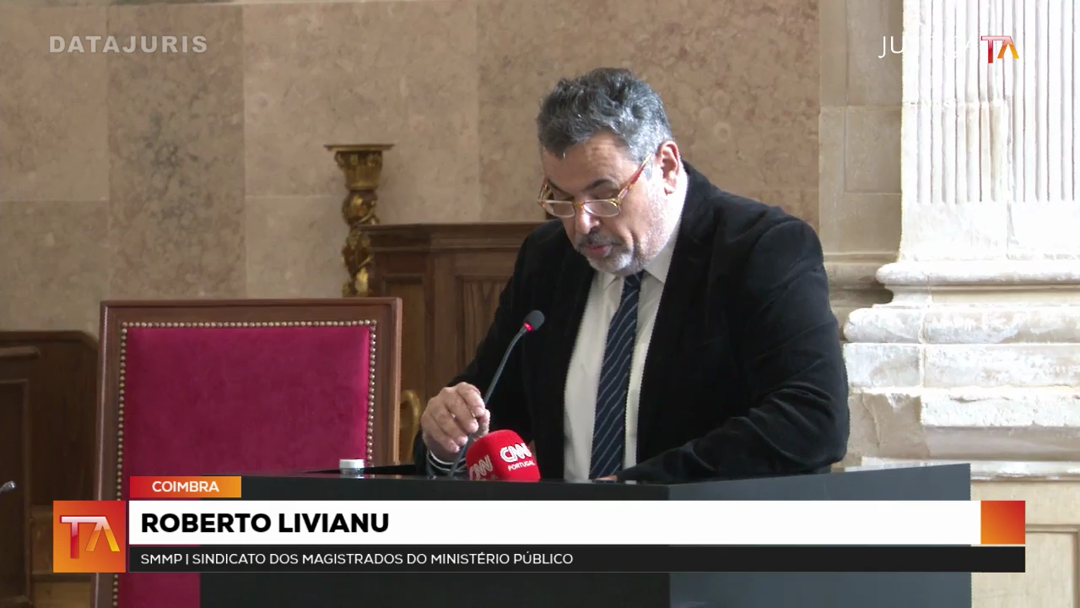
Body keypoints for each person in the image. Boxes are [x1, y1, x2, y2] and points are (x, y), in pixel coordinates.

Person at [415, 67, 849, 483]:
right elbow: (488, 410)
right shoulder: (547, 260)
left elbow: (811, 420)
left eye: (605, 195)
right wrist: (445, 439)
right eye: (562, 198)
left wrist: (633, 489)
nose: (582, 223)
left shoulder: (761, 250)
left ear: (667, 166)